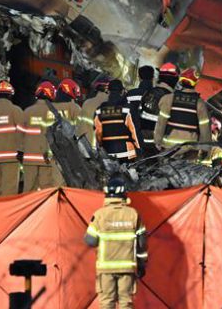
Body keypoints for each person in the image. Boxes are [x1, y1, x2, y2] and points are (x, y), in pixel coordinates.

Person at [84, 176, 147, 309]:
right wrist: (142, 264)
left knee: (107, 302)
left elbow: (90, 241)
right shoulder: (133, 214)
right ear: (124, 194)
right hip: (127, 268)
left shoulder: (100, 215)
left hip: (106, 269)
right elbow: (142, 243)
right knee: (126, 302)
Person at [153, 68, 211, 159]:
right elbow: (205, 129)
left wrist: (157, 141)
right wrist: (205, 149)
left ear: (180, 81)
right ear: (196, 82)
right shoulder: (200, 104)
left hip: (169, 148)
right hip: (190, 149)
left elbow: (161, 123)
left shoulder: (168, 99)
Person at [21, 82, 59, 192]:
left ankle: (29, 209)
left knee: (29, 190)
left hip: (29, 159)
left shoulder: (27, 111)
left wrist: (21, 152)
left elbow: (21, 135)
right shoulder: (53, 112)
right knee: (46, 190)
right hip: (46, 159)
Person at [139, 63, 180, 157]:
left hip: (141, 143)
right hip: (157, 149)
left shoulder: (148, 93)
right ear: (175, 80)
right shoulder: (172, 99)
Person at [94, 80, 140, 162]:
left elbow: (98, 133)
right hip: (127, 154)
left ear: (108, 92)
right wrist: (139, 148)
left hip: (108, 153)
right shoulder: (127, 109)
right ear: (122, 91)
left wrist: (101, 146)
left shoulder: (99, 110)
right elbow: (134, 131)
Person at [126, 66, 155, 146]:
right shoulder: (157, 95)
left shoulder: (130, 94)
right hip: (151, 138)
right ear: (153, 78)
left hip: (133, 136)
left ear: (139, 78)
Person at [78, 76, 111, 143]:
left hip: (88, 145)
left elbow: (81, 127)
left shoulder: (87, 103)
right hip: (104, 148)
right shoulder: (112, 105)